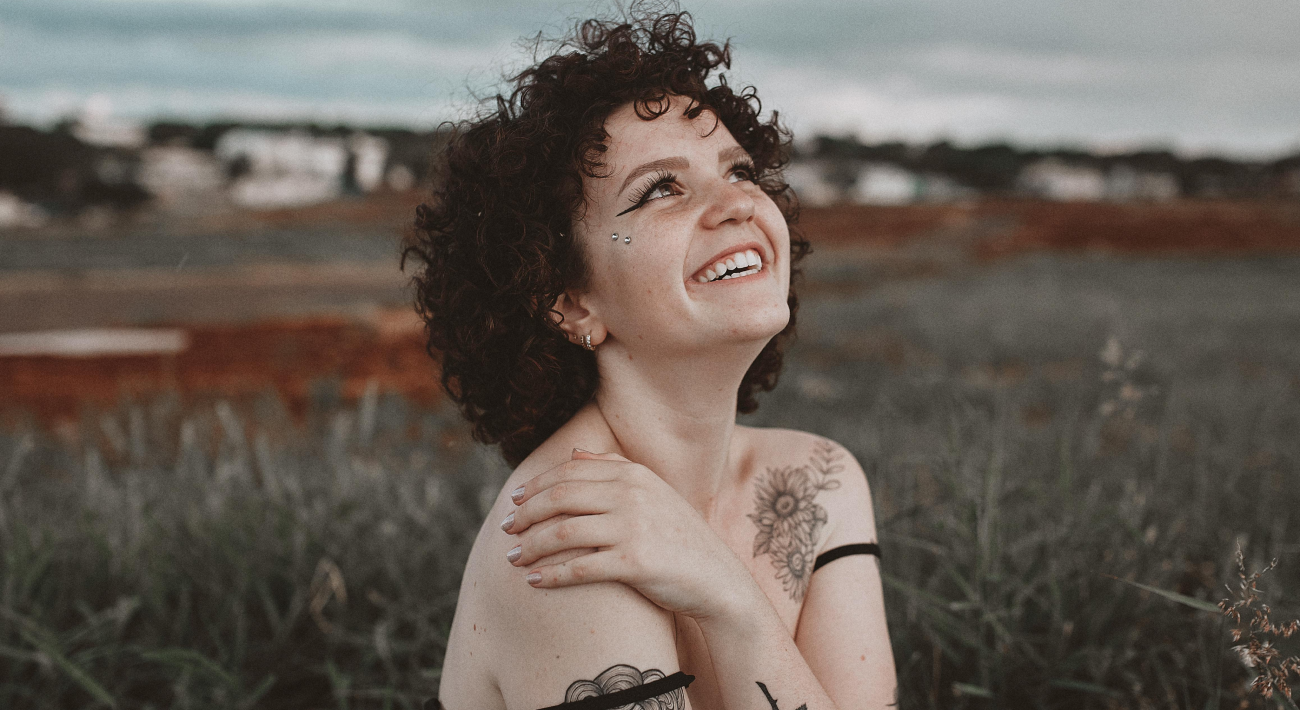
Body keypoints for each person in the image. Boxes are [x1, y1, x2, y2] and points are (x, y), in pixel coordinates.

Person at [403, 4, 896, 708]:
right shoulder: (568, 535)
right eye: (661, 188)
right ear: (568, 299)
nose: (736, 204)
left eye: (740, 169)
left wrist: (728, 596)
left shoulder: (818, 479)